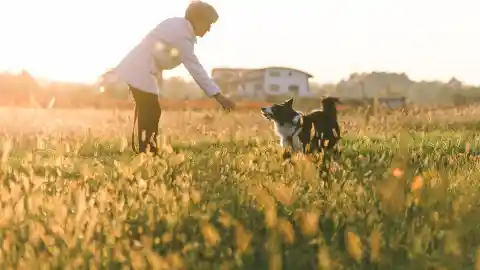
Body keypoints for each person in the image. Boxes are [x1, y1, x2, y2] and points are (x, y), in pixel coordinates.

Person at [113, 1, 236, 154]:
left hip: (140, 69)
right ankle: (148, 152)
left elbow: (158, 53)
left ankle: (148, 150)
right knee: (151, 110)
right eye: (208, 24)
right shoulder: (182, 36)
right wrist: (219, 96)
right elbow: (195, 68)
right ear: (198, 20)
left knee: (150, 110)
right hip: (139, 70)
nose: (209, 29)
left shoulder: (179, 27)